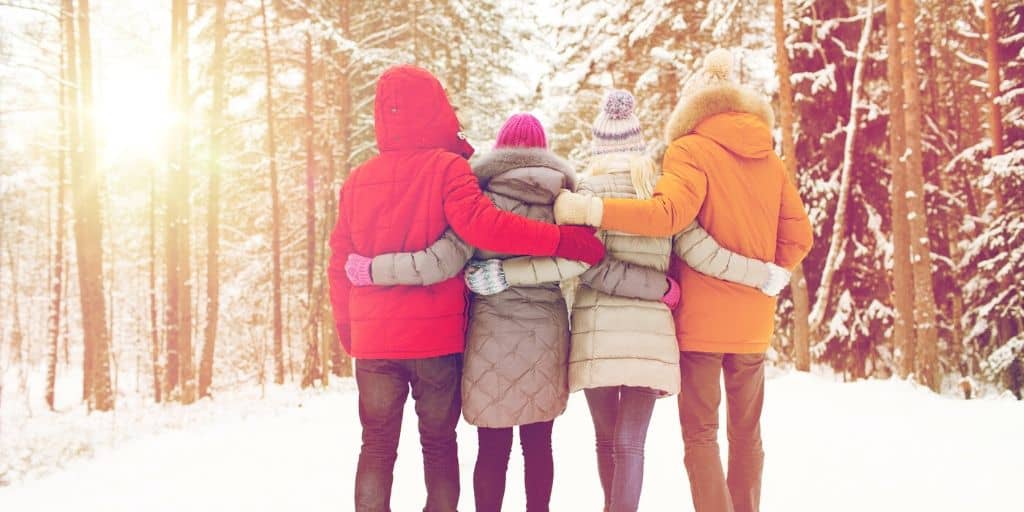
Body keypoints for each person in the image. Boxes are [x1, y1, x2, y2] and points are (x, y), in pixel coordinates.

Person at [327, 66, 605, 512]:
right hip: (433, 342)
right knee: (438, 445)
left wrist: (347, 327)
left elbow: (338, 260)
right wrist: (558, 239)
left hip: (375, 341)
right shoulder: (448, 169)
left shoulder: (358, 180)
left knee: (376, 446)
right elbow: (486, 226)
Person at [555, 50, 814, 512]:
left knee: (701, 435)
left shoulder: (689, 150)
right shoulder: (769, 159)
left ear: (693, 108)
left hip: (701, 322)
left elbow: (668, 216)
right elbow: (800, 235)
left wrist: (595, 211)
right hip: (754, 321)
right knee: (747, 432)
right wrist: (770, 272)